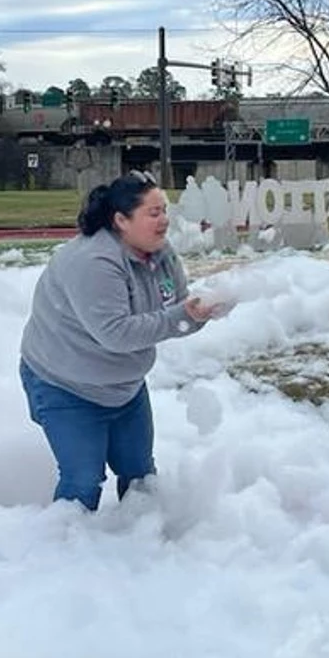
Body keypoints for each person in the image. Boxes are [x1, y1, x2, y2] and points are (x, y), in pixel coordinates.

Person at [19, 174, 225, 511]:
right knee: (83, 479)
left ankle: (140, 550)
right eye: (153, 213)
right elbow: (114, 333)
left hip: (124, 387)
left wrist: (200, 313)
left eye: (164, 210)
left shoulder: (160, 253)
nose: (164, 221)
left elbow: (175, 311)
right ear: (121, 220)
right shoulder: (94, 262)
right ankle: (65, 551)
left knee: (140, 476)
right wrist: (180, 317)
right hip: (63, 385)